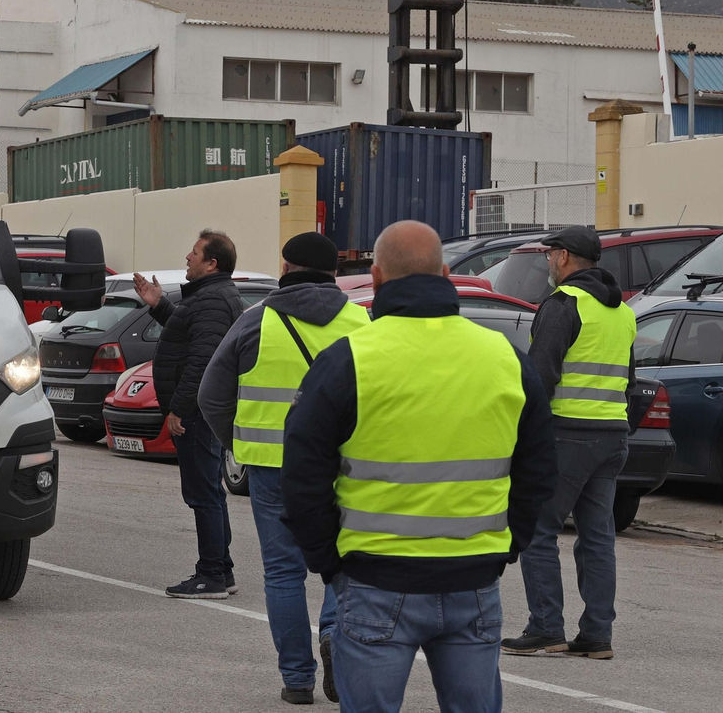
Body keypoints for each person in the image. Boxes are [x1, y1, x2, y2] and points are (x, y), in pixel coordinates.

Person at [281, 221, 556, 713]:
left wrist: (329, 561)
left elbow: (303, 474)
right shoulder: (503, 357)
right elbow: (538, 469)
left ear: (378, 277)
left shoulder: (350, 359)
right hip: (474, 577)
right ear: (447, 274)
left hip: (374, 579)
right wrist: (507, 545)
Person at [200, 232, 370, 705]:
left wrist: (238, 443)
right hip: (346, 464)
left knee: (282, 572)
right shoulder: (363, 322)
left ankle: (297, 680)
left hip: (273, 466)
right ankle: (336, 633)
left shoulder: (256, 321)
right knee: (345, 562)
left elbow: (211, 396)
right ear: (334, 271)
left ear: (287, 266)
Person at [504, 225, 637, 661]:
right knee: (597, 536)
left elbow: (540, 376)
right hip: (612, 436)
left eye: (548, 254)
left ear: (563, 258)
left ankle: (546, 627)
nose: (547, 262)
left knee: (539, 531)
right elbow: (629, 381)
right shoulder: (623, 312)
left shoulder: (564, 304)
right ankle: (597, 635)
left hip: (567, 434)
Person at [133, 229, 244, 599]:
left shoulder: (213, 300)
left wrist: (180, 408)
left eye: (194, 253)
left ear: (212, 263)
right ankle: (222, 571)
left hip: (195, 413)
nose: (187, 257)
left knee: (203, 495)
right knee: (210, 490)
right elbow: (189, 334)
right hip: (201, 410)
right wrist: (159, 304)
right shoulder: (210, 296)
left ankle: (210, 574)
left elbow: (201, 360)